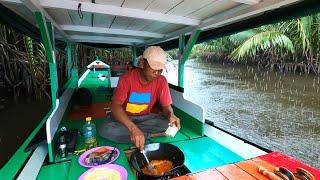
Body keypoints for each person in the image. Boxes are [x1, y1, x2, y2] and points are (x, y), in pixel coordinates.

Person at [98, 46, 180, 150]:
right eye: (154, 67)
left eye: (160, 70)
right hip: (124, 119)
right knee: (105, 129)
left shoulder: (161, 81)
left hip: (146, 117)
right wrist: (133, 128)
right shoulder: (126, 78)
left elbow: (166, 107)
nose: (157, 73)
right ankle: (148, 135)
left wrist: (171, 115)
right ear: (142, 63)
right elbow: (115, 106)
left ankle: (139, 134)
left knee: (168, 124)